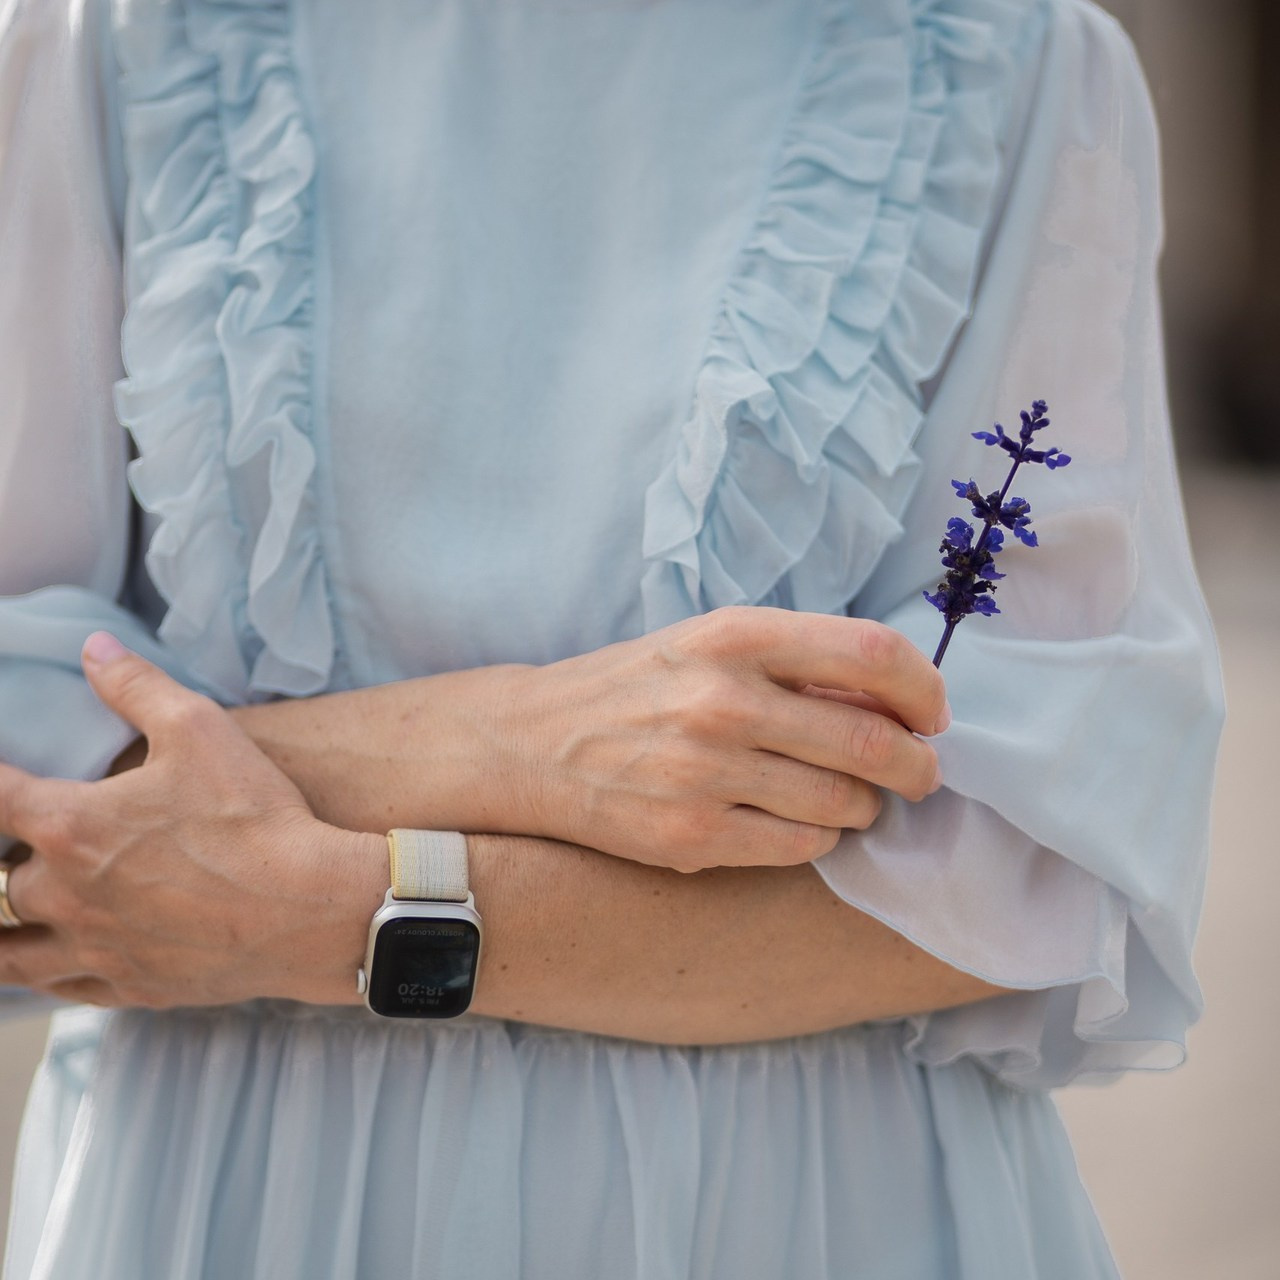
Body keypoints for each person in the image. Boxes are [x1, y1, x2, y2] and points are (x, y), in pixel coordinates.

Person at [0, 0, 1223, 1275]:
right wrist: (518, 743)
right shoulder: (107, 40)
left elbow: (1036, 852)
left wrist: (315, 908)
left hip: (808, 1216)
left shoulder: (999, 59)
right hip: (235, 1208)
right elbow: (25, 813)